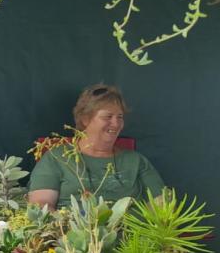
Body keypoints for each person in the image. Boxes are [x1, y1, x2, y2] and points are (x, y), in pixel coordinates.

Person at [28, 84, 165, 210]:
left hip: (134, 235)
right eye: (108, 117)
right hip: (72, 233)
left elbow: (162, 208)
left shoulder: (136, 161)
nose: (116, 124)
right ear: (85, 119)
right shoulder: (56, 158)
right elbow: (41, 206)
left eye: (120, 117)